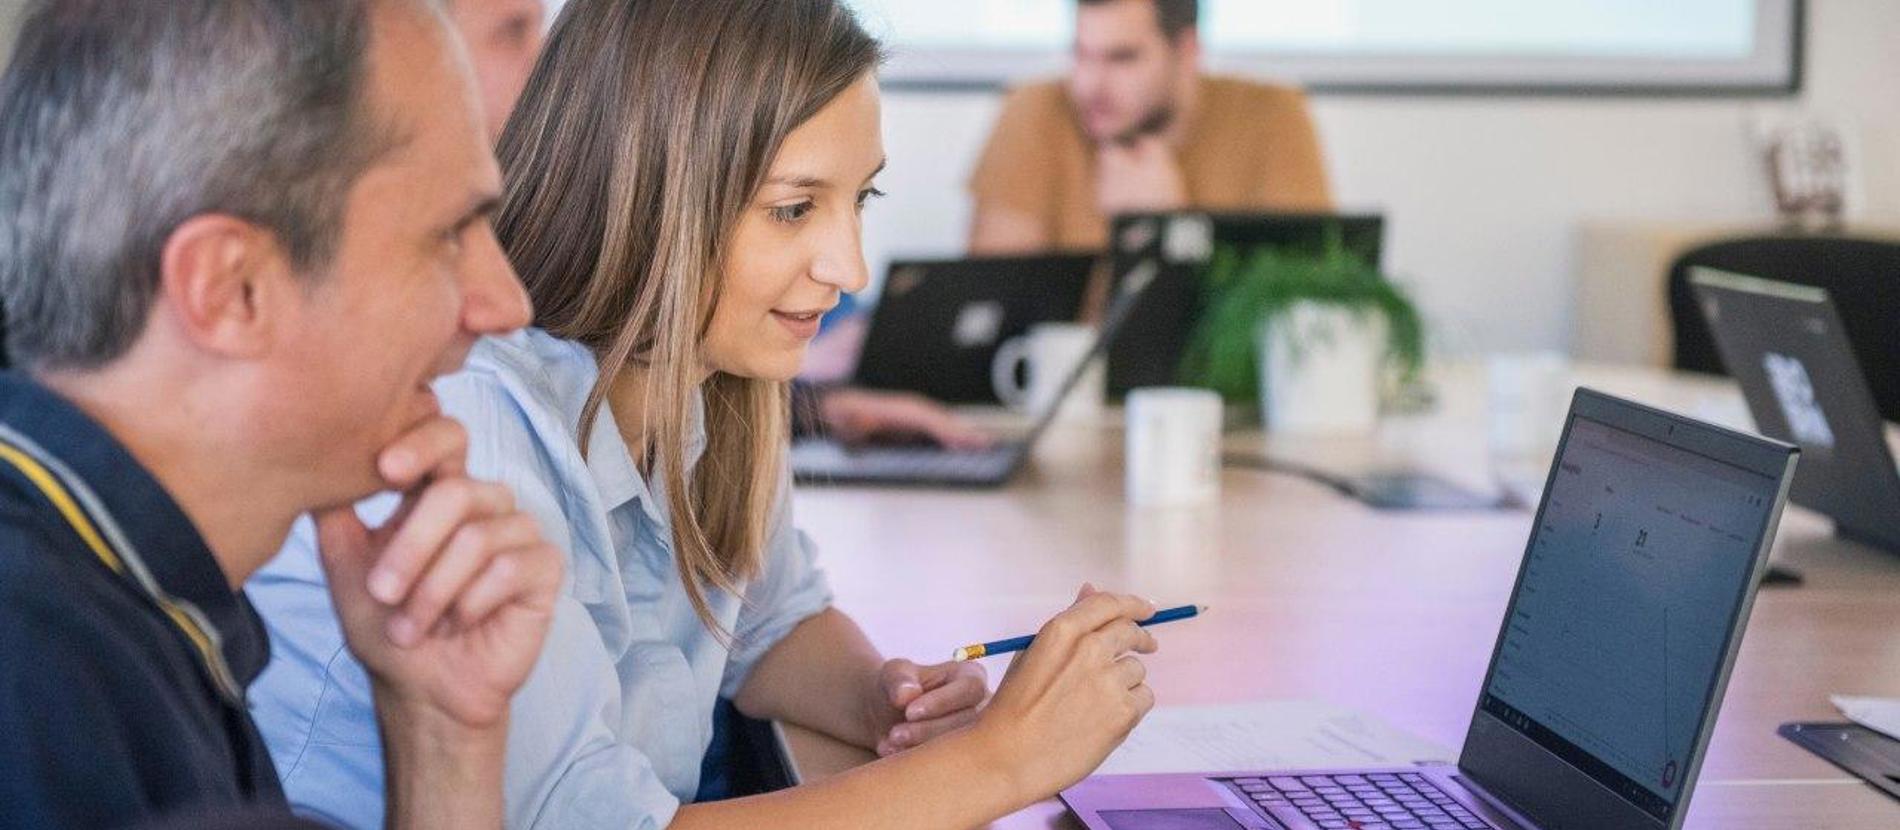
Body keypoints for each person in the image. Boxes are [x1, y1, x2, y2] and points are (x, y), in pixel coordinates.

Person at [246, 0, 1161, 827]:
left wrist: (880, 699)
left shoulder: (714, 378)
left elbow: (770, 621)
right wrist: (1003, 762)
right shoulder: (481, 430)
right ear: (648, 196)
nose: (851, 269)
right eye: (795, 209)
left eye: (861, 199)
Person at [0, 0, 562, 827]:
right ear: (233, 290)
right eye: (450, 234)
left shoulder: (115, 605)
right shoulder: (37, 687)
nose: (506, 304)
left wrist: (442, 734)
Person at [968, 0, 1333, 254]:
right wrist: (1125, 242)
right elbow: (995, 308)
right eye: (1082, 54)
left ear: (1187, 50)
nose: (1091, 85)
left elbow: (1301, 310)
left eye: (1122, 57)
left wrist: (1173, 229)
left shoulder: (1271, 116)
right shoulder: (1035, 109)